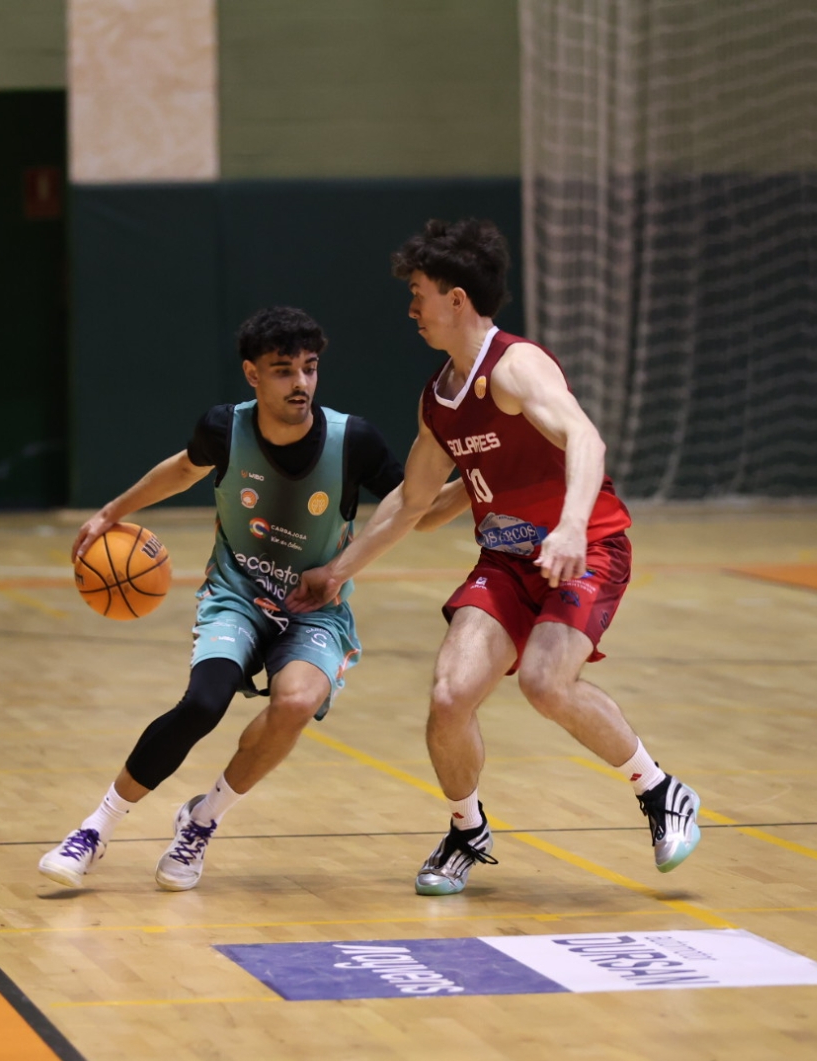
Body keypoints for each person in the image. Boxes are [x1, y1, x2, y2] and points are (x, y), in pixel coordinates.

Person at [286, 219, 700, 896]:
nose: (411, 307)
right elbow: (410, 503)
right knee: (450, 695)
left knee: (544, 682)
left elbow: (586, 440)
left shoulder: (515, 366)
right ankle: (466, 830)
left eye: (418, 292)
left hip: (585, 546)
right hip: (507, 560)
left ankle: (659, 792)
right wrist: (338, 570)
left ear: (456, 298)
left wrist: (568, 527)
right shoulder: (440, 398)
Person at [39, 306, 404, 891]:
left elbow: (411, 508)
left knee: (295, 702)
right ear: (252, 375)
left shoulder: (352, 440)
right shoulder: (223, 428)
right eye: (283, 371)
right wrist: (114, 511)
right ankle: (95, 830)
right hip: (236, 594)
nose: (301, 383)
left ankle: (201, 821)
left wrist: (479, 482)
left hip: (314, 607)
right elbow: (184, 470)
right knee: (202, 705)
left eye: (310, 369)